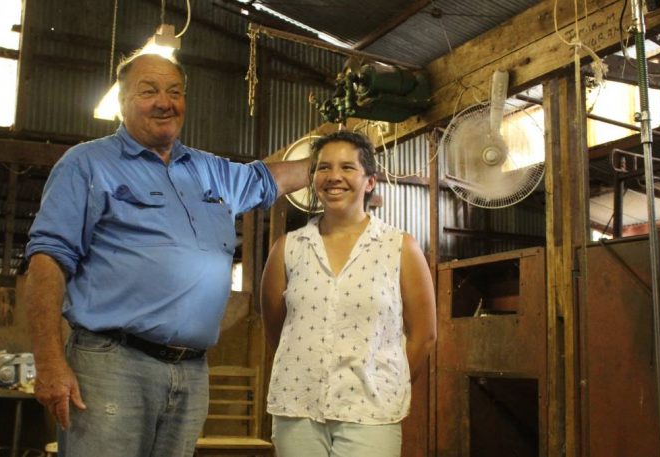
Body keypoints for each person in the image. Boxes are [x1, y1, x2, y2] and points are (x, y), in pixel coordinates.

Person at [24, 52, 309, 457]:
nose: (165, 101)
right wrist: (49, 361)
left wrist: (337, 165)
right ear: (122, 101)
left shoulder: (207, 170)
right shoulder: (88, 164)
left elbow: (267, 179)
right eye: (149, 91)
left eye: (174, 92)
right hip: (112, 364)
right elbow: (47, 260)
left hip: (190, 371)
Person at [260, 131, 437, 457]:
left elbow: (424, 335)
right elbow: (276, 329)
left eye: (347, 167)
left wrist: (385, 383)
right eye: (323, 168)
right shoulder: (288, 248)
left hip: (370, 414)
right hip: (298, 409)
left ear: (369, 181)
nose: (334, 177)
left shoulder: (399, 247)